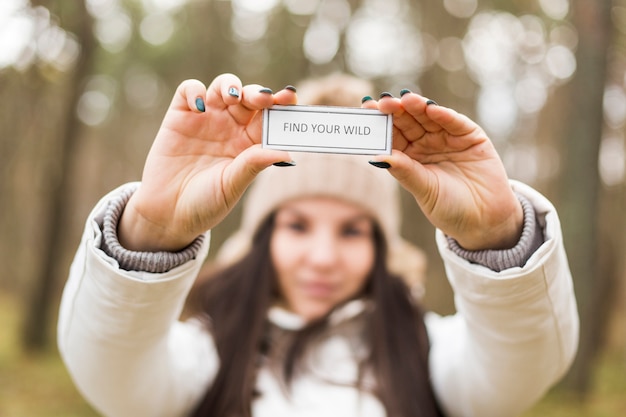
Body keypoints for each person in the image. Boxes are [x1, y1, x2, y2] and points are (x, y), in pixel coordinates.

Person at [57, 72, 579, 417]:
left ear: (381, 245)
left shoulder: (430, 356)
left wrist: (495, 237)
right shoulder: (205, 356)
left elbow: (520, 368)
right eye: (298, 226)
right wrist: (152, 233)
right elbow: (115, 378)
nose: (323, 257)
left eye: (352, 230)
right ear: (262, 238)